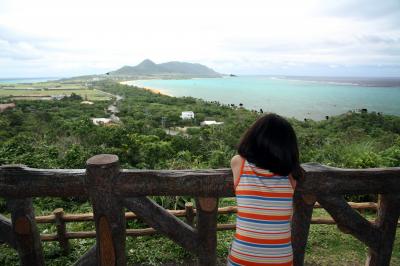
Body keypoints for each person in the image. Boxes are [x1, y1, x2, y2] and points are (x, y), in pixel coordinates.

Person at [227, 113, 300, 266]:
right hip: (281, 260)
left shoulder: (239, 164)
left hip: (243, 258)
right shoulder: (291, 176)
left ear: (252, 139)